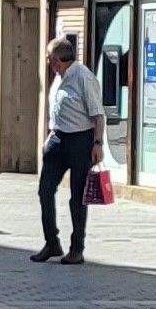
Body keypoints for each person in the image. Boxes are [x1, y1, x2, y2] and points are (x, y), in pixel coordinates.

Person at [37, 33, 104, 264]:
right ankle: (52, 243)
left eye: (49, 58)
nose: (47, 62)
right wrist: (49, 137)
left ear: (58, 59)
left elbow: (98, 114)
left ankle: (77, 248)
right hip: (57, 139)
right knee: (45, 190)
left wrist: (97, 143)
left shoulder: (83, 77)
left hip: (80, 140)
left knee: (77, 197)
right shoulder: (58, 77)